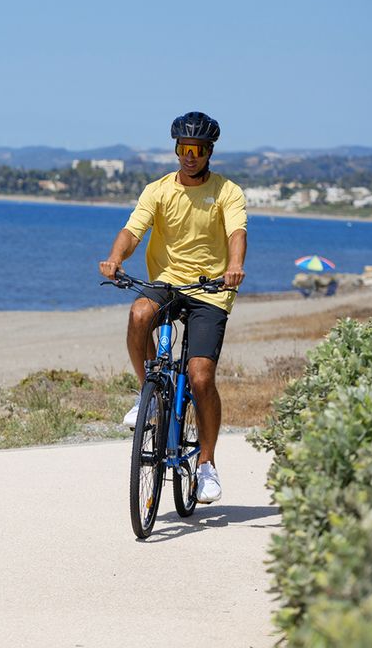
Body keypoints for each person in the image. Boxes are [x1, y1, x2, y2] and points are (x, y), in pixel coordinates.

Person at [99, 112, 246, 503]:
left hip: (210, 290)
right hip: (165, 283)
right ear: (176, 149)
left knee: (200, 377)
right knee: (138, 314)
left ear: (209, 152)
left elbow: (236, 232)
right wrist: (115, 258)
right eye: (183, 148)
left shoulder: (227, 191)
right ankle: (146, 394)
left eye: (197, 149)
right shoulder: (158, 190)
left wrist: (234, 267)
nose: (189, 156)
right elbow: (132, 232)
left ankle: (207, 465)